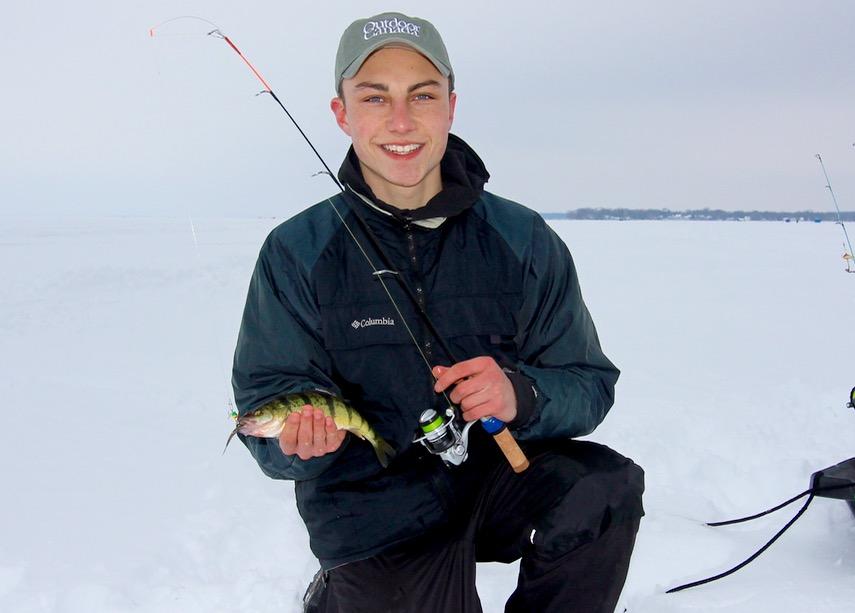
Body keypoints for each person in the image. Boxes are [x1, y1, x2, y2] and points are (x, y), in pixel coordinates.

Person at [232, 11, 644, 613]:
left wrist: (520, 395)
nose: (401, 121)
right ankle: (341, 594)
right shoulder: (298, 251)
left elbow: (589, 384)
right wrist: (293, 444)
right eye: (375, 97)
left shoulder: (522, 237)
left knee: (602, 488)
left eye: (421, 95)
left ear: (451, 106)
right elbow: (265, 398)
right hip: (372, 506)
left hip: (498, 473)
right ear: (342, 113)